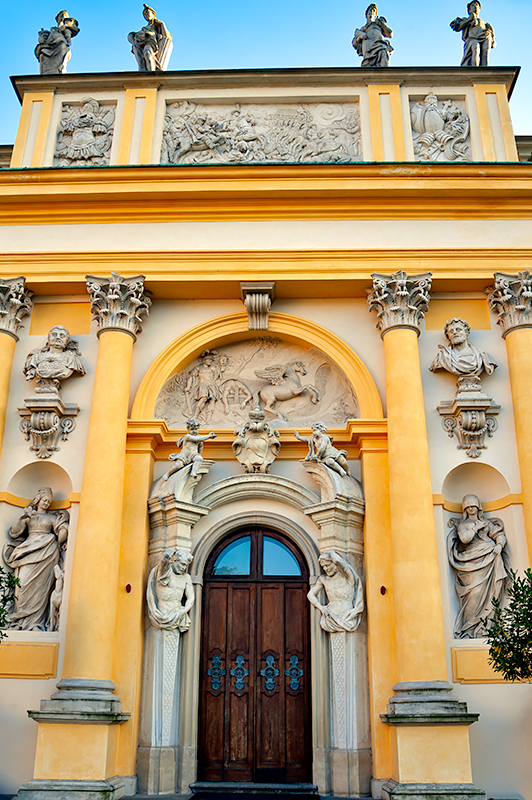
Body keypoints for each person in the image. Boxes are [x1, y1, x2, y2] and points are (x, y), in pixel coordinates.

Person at [3, 488, 69, 631]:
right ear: (38, 500)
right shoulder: (29, 516)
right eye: (44, 500)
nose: (46, 503)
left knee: (41, 588)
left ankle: (35, 623)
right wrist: (23, 518)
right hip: (28, 550)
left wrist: (63, 528)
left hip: (46, 553)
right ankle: (19, 620)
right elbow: (14, 533)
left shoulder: (52, 518)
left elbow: (61, 531)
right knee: (23, 584)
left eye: (49, 502)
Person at [447, 495, 510, 638]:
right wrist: (476, 527)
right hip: (471, 563)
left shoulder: (486, 523)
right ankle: (470, 628)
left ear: (478, 507)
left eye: (473, 506)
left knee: (491, 594)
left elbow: (499, 535)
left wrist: (499, 545)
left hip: (489, 558)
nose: (471, 509)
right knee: (473, 595)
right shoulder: (463, 525)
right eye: (468, 507)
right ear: (464, 509)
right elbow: (464, 539)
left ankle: (487, 627)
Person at [307, 551, 364, 633]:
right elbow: (310, 595)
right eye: (323, 567)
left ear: (333, 563)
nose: (325, 569)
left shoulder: (346, 576)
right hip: (329, 617)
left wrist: (330, 552)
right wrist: (321, 607)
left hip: (347, 616)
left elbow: (338, 561)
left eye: (327, 565)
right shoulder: (323, 579)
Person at [23, 325, 85, 393]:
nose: (58, 337)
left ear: (66, 341)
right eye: (54, 334)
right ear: (49, 339)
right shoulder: (36, 358)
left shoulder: (71, 359)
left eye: (62, 336)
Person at [429, 317, 497, 377]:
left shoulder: (481, 354)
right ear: (448, 336)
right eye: (451, 331)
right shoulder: (443, 356)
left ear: (466, 332)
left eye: (458, 329)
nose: (455, 333)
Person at [146, 549, 195, 631]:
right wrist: (171, 550)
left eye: (186, 565)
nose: (184, 568)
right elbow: (165, 559)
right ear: (174, 560)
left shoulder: (186, 577)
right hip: (162, 613)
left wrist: (183, 611)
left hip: (178, 614)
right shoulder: (165, 573)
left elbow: (191, 598)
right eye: (182, 564)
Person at [128, 4, 173, 72]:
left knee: (147, 53)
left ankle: (152, 75)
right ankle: (143, 73)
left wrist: (162, 25)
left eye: (147, 12)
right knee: (140, 59)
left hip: (150, 40)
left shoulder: (157, 24)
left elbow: (168, 37)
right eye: (145, 14)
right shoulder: (145, 27)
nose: (146, 15)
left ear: (153, 13)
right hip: (139, 41)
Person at [450, 1, 495, 67]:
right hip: (472, 38)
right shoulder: (465, 19)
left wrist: (491, 36)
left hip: (485, 36)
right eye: (472, 5)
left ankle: (484, 70)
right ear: (469, 10)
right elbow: (457, 27)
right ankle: (475, 69)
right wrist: (469, 19)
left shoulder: (483, 23)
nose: (475, 6)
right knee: (475, 48)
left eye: (476, 5)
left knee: (485, 52)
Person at [35, 10, 80, 75]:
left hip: (60, 44)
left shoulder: (66, 26)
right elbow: (44, 38)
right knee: (43, 54)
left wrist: (67, 25)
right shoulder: (53, 29)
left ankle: (59, 72)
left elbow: (73, 31)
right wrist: (42, 38)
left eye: (63, 15)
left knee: (63, 49)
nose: (61, 17)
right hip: (49, 45)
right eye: (60, 16)